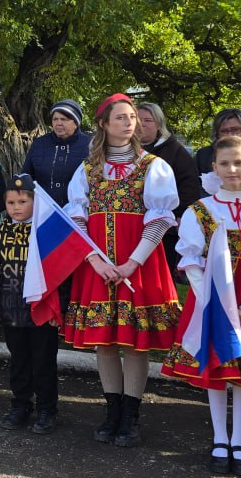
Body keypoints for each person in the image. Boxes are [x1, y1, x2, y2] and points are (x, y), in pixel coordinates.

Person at [161, 136, 241, 476]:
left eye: (239, 163)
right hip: (211, 304)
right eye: (224, 163)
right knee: (217, 369)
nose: (232, 170)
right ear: (213, 168)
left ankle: (239, 438)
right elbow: (191, 262)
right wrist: (213, 304)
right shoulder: (199, 211)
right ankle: (219, 437)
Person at [64, 94, 181, 448]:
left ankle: (131, 414)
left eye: (133, 116)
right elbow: (76, 219)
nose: (130, 122)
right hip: (98, 265)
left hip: (139, 262)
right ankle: (111, 409)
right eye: (121, 117)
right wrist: (95, 261)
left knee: (134, 342)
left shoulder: (154, 166)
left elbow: (160, 219)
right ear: (103, 124)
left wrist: (133, 262)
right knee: (104, 342)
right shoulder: (86, 169)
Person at [0, 174, 60, 434]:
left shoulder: (47, 233)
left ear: (36, 202)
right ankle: (21, 404)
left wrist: (58, 308)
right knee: (19, 360)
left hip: (41, 310)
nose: (16, 207)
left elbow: (60, 273)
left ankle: (47, 408)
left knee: (43, 362)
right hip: (10, 308)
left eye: (22, 201)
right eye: (10, 202)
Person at [138, 102, 202, 273]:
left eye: (147, 120)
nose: (142, 124)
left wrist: (180, 214)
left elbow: (189, 184)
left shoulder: (174, 151)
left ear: (158, 124)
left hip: (165, 225)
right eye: (138, 119)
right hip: (132, 221)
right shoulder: (125, 150)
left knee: (158, 271)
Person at [22, 99, 91, 207]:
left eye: (64, 119)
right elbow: (26, 177)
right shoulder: (39, 144)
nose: (58, 123)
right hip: (43, 211)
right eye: (55, 119)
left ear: (76, 123)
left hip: (79, 213)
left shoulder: (90, 145)